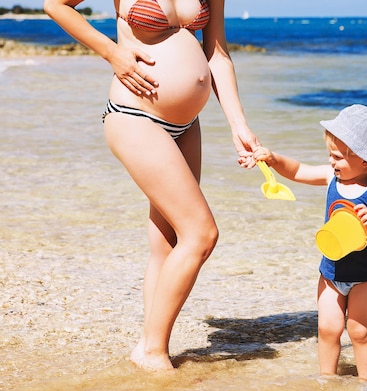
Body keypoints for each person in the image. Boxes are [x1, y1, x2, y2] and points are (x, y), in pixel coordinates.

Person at [44, 0, 262, 370]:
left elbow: (217, 53)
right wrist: (112, 52)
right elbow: (55, 5)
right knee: (201, 234)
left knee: (169, 243)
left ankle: (149, 346)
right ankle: (153, 353)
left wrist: (238, 125)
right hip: (134, 116)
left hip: (186, 126)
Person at [253, 105, 367, 383]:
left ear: (365, 161)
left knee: (360, 331)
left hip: (365, 276)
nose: (331, 161)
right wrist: (273, 159)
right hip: (331, 270)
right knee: (328, 328)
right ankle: (326, 379)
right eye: (329, 155)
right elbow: (297, 171)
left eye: (337, 157)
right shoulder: (333, 177)